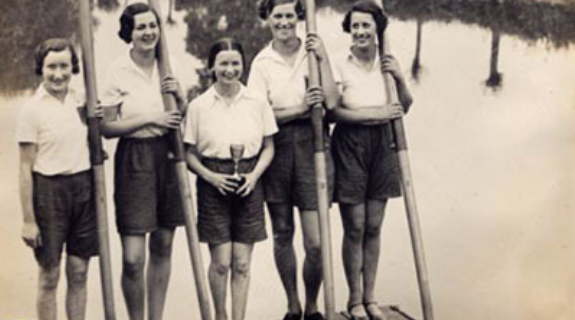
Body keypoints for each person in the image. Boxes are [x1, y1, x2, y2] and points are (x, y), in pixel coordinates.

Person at [248, 1, 339, 320]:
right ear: (268, 19)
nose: (284, 22)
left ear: (299, 16)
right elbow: (257, 116)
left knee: (315, 242)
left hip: (314, 143)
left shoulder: (313, 52)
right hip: (277, 147)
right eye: (278, 16)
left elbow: (332, 101)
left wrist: (324, 56)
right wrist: (299, 109)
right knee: (283, 232)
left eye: (289, 15)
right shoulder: (262, 62)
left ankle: (313, 304)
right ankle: (292, 305)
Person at [99, 3, 187, 320]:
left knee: (163, 244)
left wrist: (182, 98)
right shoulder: (116, 70)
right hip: (134, 159)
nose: (149, 32)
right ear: (129, 33)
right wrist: (151, 117)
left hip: (168, 153)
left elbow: (180, 117)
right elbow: (105, 128)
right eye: (141, 27)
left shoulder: (170, 64)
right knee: (133, 258)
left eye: (153, 26)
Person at [184, 38, 277, 320]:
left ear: (243, 65)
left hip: (249, 179)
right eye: (223, 63)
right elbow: (189, 154)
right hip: (213, 183)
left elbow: (269, 147)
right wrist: (212, 177)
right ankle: (220, 316)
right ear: (212, 67)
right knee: (221, 262)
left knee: (242, 263)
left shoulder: (257, 102)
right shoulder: (199, 106)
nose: (229, 69)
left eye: (235, 63)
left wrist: (254, 176)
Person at [331, 1, 413, 320]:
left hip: (383, 144)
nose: (361, 32)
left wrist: (400, 78)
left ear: (377, 29)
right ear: (349, 30)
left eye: (367, 26)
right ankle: (354, 300)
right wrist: (373, 114)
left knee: (375, 225)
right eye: (356, 26)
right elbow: (333, 111)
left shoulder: (387, 61)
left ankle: (370, 297)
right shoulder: (340, 63)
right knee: (355, 225)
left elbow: (403, 106)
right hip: (350, 143)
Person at [17, 38, 100, 320]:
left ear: (73, 67)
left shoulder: (81, 101)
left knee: (79, 271)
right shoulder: (32, 109)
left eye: (64, 66)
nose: (58, 74)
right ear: (41, 69)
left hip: (84, 190)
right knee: (49, 275)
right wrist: (28, 220)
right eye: (51, 67)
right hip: (49, 192)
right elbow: (25, 168)